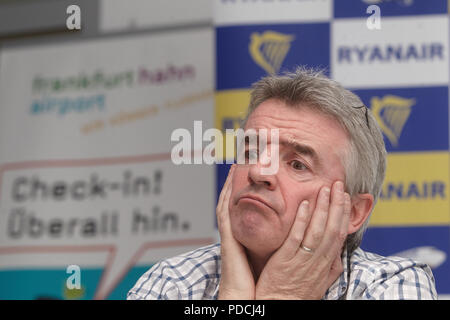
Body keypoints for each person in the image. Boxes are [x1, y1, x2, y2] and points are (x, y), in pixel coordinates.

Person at [127, 67, 437, 300]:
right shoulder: (172, 282)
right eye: (251, 151)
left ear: (354, 211)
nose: (259, 172)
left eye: (297, 164)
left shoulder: (393, 285)